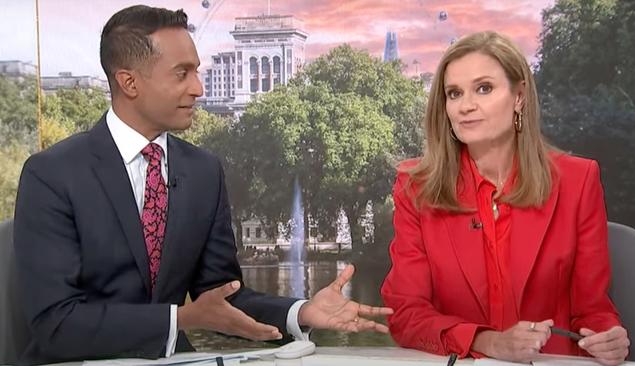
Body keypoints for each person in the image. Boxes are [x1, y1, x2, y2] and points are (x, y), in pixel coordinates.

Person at [13, 5, 392, 365]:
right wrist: (180, 320)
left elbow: (223, 297)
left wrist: (300, 310)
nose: (198, 88)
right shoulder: (52, 175)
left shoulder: (203, 171)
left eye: (197, 71)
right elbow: (55, 324)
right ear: (129, 82)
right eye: (182, 74)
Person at [380, 31, 629, 365]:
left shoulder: (577, 181)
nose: (465, 106)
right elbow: (406, 315)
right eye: (454, 93)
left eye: (484, 88)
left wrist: (607, 336)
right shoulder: (417, 188)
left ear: (519, 96)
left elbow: (592, 311)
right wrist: (489, 342)